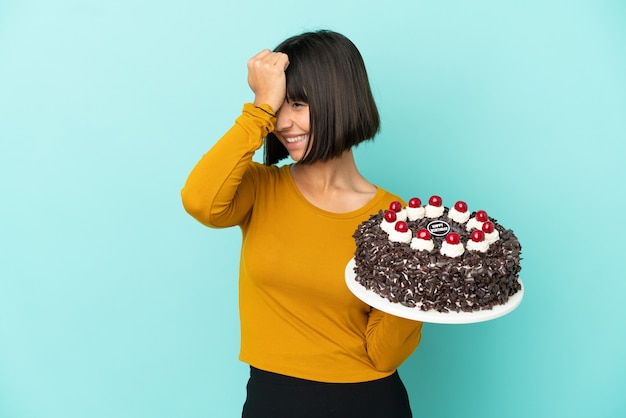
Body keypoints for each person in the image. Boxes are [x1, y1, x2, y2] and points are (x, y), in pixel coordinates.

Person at [181, 29, 423, 418]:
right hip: (273, 398)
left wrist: (416, 288)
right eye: (279, 107)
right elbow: (200, 202)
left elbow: (385, 355)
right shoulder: (259, 189)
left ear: (339, 100)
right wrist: (259, 107)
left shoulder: (394, 217)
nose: (282, 122)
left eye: (297, 104)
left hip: (370, 401)